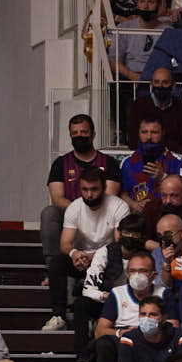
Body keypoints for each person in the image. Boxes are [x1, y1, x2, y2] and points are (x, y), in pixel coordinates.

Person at [43, 169, 130, 335]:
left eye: (94, 189)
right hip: (82, 258)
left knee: (117, 260)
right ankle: (58, 316)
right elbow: (65, 243)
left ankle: (102, 316)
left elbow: (120, 243)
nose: (89, 194)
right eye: (85, 190)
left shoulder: (119, 206)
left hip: (108, 258)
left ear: (104, 188)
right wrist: (75, 253)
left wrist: (95, 257)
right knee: (57, 263)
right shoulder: (74, 208)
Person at [43, 114, 122, 270]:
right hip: (70, 213)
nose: (79, 136)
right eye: (75, 133)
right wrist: (78, 211)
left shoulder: (109, 163)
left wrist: (90, 208)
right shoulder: (60, 163)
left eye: (84, 132)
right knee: (49, 213)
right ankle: (52, 267)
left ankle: (104, 264)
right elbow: (57, 198)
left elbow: (110, 196)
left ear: (93, 135)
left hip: (102, 213)